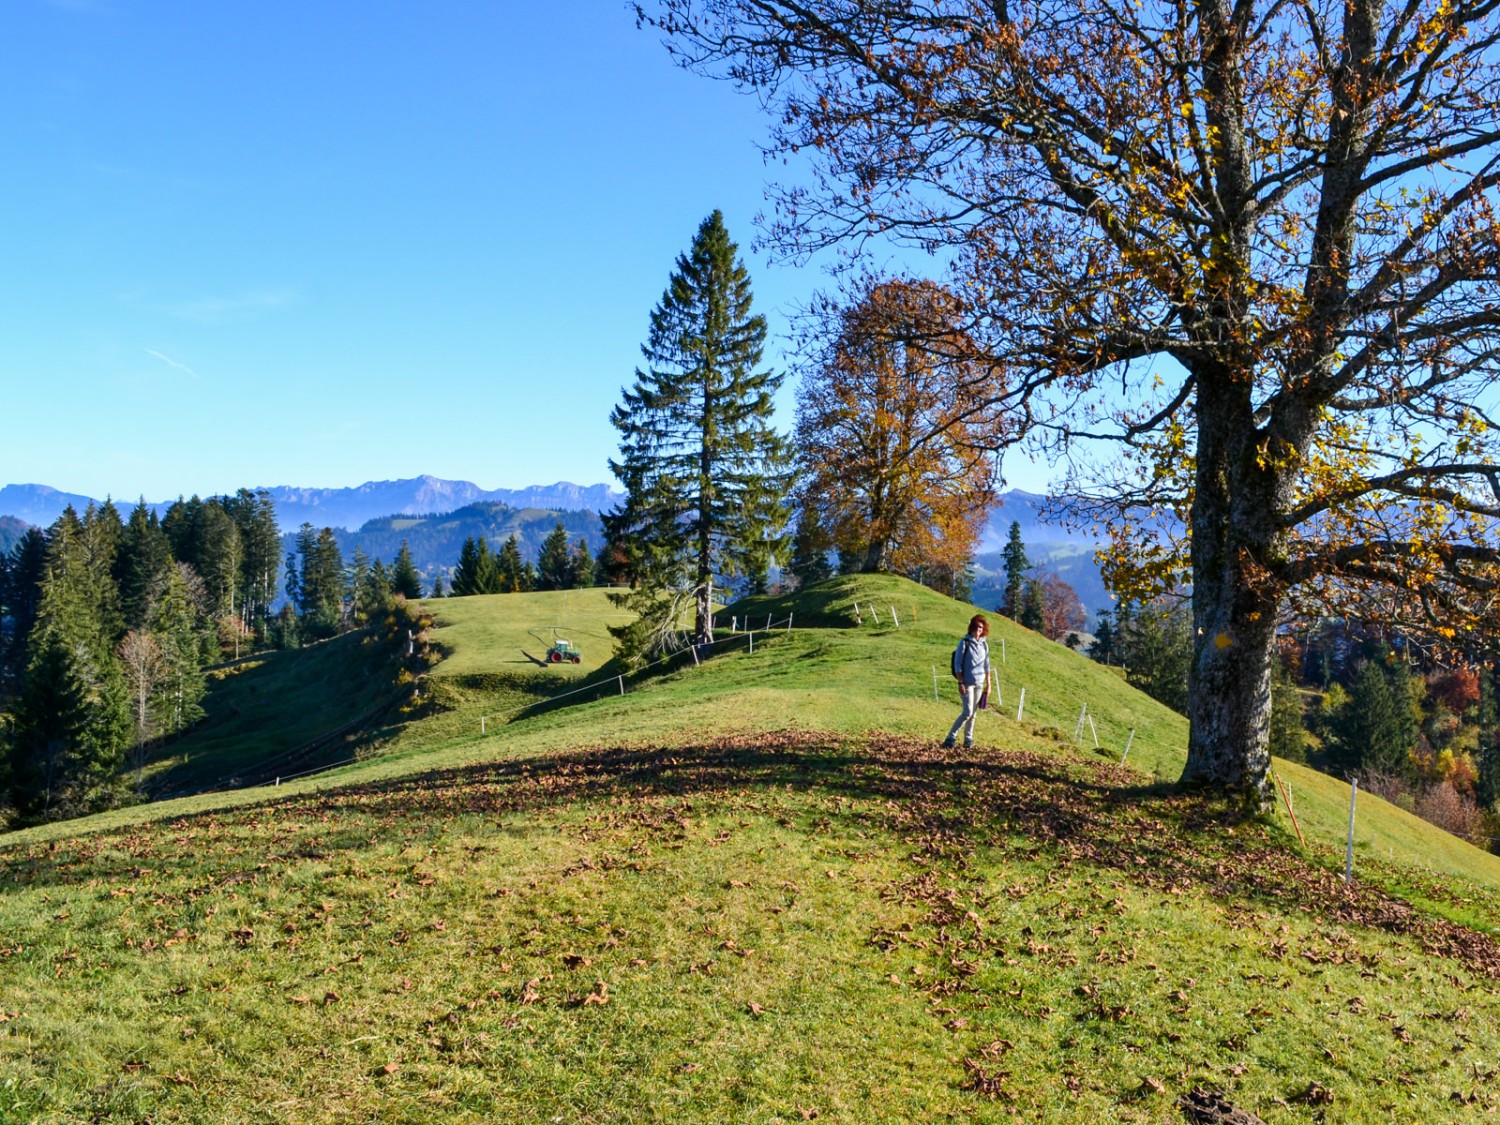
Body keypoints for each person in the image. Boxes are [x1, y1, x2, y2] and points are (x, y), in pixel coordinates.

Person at [942, 614, 991, 749]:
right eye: (976, 626)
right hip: (967, 683)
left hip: (980, 683)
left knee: (973, 714)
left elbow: (987, 665)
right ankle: (950, 738)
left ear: (984, 629)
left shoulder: (984, 645)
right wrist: (960, 682)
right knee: (967, 712)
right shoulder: (964, 642)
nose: (978, 629)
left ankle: (968, 739)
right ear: (971, 628)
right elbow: (958, 664)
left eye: (980, 627)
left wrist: (989, 684)